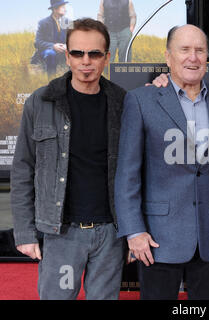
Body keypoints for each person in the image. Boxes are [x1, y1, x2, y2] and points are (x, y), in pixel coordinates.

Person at [114, 24, 209, 300]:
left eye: (200, 50)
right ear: (168, 57)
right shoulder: (141, 100)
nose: (193, 57)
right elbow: (127, 174)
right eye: (185, 50)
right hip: (157, 238)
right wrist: (134, 230)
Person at [11, 18, 127, 300]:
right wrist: (25, 233)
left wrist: (134, 232)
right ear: (67, 55)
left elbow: (139, 171)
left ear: (107, 57)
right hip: (62, 233)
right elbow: (23, 169)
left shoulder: (124, 103)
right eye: (77, 53)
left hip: (111, 234)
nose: (86, 61)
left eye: (94, 54)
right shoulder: (41, 101)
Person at [30, 0, 69, 77]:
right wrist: (53, 46)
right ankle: (51, 80)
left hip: (64, 51)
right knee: (50, 53)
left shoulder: (67, 22)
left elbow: (73, 39)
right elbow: (37, 42)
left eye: (65, 7)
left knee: (75, 53)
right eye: (63, 7)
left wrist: (67, 45)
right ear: (55, 9)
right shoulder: (43, 23)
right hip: (49, 51)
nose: (65, 9)